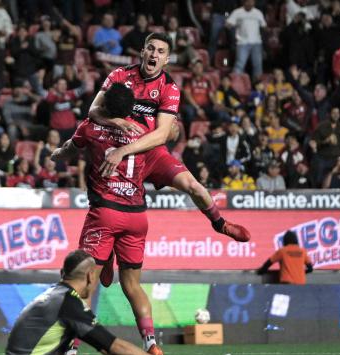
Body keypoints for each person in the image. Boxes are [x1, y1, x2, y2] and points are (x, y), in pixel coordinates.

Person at [88, 33, 250, 284]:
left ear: (167, 59)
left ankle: (219, 224)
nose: (154, 54)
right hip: (117, 147)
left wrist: (127, 150)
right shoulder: (120, 75)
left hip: (149, 152)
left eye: (160, 51)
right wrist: (117, 122)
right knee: (110, 209)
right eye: (150, 49)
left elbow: (163, 134)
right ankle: (106, 253)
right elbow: (93, 111)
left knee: (193, 185)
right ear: (142, 52)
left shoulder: (169, 87)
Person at [0, 249, 238, 355]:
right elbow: (112, 345)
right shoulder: (68, 302)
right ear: (92, 277)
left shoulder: (52, 296)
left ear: (63, 274)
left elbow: (109, 349)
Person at [52, 83, 161, 355]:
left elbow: (68, 150)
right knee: (133, 285)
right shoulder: (147, 129)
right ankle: (151, 344)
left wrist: (56, 155)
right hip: (137, 215)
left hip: (105, 212)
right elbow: (169, 131)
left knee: (84, 283)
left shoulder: (91, 127)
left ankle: (71, 352)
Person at [226, 0, 267, 80]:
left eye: (252, 2)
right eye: (248, 2)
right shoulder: (237, 12)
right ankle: (235, 84)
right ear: (244, 2)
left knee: (258, 66)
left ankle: (257, 87)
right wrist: (233, 25)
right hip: (242, 43)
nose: (250, 4)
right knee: (240, 65)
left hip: (256, 43)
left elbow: (264, 26)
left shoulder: (258, 13)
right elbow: (228, 24)